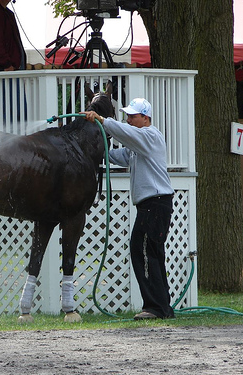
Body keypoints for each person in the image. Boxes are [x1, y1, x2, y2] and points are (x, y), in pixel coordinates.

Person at [82, 98, 175, 320]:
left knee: (142, 251)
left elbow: (125, 132)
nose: (129, 119)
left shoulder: (150, 136)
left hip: (155, 203)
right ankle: (163, 307)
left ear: (146, 118)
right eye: (128, 115)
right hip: (153, 205)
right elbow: (116, 155)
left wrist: (102, 120)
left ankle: (154, 307)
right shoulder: (137, 146)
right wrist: (93, 149)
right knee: (152, 253)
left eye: (133, 116)